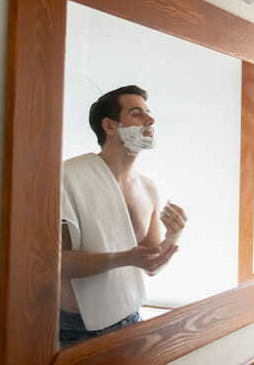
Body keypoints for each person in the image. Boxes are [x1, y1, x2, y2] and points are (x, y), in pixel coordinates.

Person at [59, 85, 187, 347]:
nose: (150, 120)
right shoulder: (68, 177)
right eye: (137, 113)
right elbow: (56, 263)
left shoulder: (148, 188)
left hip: (130, 319)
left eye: (148, 112)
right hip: (76, 328)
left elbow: (150, 264)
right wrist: (124, 258)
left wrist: (174, 234)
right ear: (110, 126)